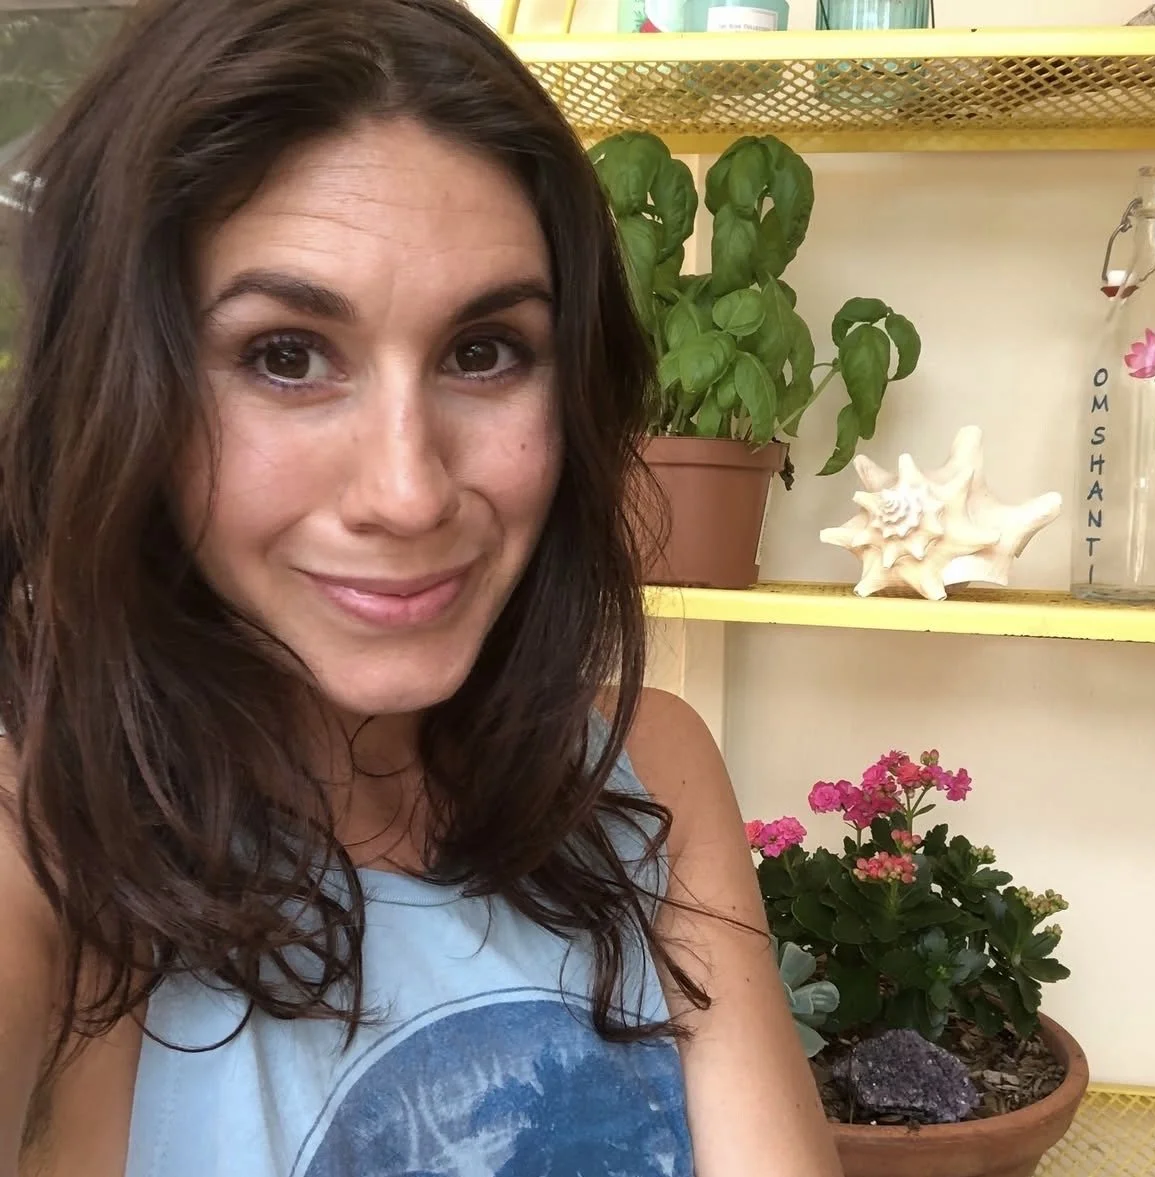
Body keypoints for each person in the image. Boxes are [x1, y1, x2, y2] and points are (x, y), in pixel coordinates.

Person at [0, 1, 842, 1174]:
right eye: (285, 355)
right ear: (121, 388)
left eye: (483, 351)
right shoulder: (48, 847)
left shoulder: (645, 776)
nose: (408, 493)